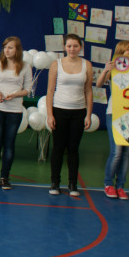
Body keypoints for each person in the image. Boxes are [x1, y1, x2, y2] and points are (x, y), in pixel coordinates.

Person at [46, 33, 93, 196]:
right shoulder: (56, 64)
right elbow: (50, 91)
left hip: (78, 112)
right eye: (69, 46)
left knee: (73, 149)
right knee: (58, 148)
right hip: (59, 110)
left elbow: (88, 91)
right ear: (64, 47)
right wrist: (50, 115)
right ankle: (55, 182)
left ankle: (73, 184)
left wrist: (88, 114)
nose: (72, 49)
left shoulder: (87, 65)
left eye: (75, 46)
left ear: (80, 47)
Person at [0, 36, 31, 190]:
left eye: (10, 47)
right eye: (5, 47)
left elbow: (27, 89)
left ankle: (5, 177)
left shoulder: (25, 66)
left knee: (9, 144)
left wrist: (16, 94)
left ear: (17, 50)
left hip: (14, 111)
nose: (7, 50)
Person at [96, 40, 129, 200]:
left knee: (126, 153)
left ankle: (120, 186)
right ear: (121, 52)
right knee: (117, 152)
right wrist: (107, 70)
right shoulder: (115, 67)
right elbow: (99, 84)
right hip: (114, 113)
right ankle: (108, 184)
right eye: (128, 49)